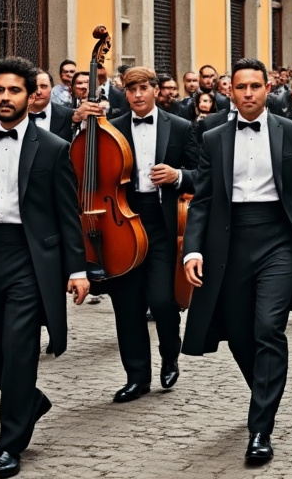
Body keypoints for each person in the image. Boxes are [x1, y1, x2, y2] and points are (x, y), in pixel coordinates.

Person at [181, 59, 292, 464]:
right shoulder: (213, 136)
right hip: (228, 242)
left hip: (279, 240)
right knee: (238, 334)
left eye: (255, 86)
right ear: (230, 91)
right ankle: (264, 390)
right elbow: (202, 199)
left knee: (269, 326)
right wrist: (193, 249)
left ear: (268, 88)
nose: (248, 93)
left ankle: (260, 428)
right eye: (240, 87)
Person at [0, 57, 89, 479]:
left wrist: (78, 269)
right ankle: (30, 400)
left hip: (32, 259)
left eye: (14, 91)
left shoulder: (53, 148)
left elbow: (69, 214)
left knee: (19, 347)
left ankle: (9, 445)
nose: (5, 98)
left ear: (32, 96)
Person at [83, 67, 199, 403]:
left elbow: (202, 173)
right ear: (124, 92)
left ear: (155, 90)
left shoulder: (178, 126)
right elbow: (87, 171)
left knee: (162, 301)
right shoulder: (111, 129)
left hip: (160, 223)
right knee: (127, 306)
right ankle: (137, 377)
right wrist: (83, 122)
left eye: (143, 88)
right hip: (121, 224)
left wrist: (178, 175)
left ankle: (170, 354)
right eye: (131, 89)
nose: (137, 95)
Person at [27, 71, 75, 142]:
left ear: (51, 88)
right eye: (33, 87)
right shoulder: (15, 115)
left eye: (43, 86)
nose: (38, 92)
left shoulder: (68, 115)